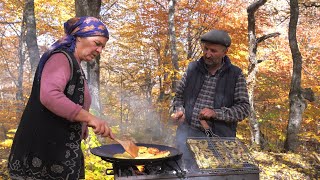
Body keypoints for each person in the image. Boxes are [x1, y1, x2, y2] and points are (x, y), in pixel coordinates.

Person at [8, 16, 114, 180]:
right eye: (97, 43)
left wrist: (83, 124)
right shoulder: (61, 58)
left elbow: (72, 100)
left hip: (60, 154)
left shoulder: (74, 63)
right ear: (79, 37)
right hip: (42, 155)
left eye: (103, 46)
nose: (100, 50)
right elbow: (50, 96)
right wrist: (90, 118)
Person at [171, 29, 250, 169]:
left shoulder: (235, 75)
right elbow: (179, 96)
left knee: (212, 175)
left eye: (213, 51)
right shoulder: (192, 68)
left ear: (225, 52)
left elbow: (243, 109)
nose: (207, 54)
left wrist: (216, 113)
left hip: (218, 141)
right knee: (184, 171)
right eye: (206, 49)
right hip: (187, 135)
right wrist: (179, 110)